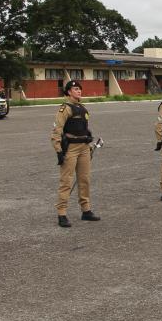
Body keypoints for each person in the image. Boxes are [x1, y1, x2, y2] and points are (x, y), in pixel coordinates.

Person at [51, 80, 101, 227]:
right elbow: (57, 130)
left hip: (84, 147)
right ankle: (62, 213)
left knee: (84, 180)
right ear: (68, 92)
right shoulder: (65, 109)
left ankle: (86, 210)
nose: (78, 91)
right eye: (75, 89)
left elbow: (83, 127)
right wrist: (58, 150)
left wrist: (89, 137)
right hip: (71, 148)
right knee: (66, 181)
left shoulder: (82, 107)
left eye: (79, 89)